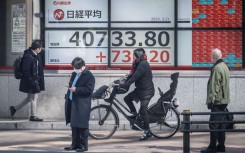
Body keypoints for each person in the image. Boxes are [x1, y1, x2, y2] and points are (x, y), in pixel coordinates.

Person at [120, 48, 155, 140]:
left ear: (138, 55)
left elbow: (135, 77)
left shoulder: (143, 64)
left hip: (147, 91)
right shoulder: (138, 63)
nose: (133, 57)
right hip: (140, 90)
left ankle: (147, 132)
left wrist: (125, 85)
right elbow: (131, 75)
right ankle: (135, 115)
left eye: (134, 56)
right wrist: (123, 81)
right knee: (127, 99)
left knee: (143, 111)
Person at [201, 48, 230, 153]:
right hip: (224, 100)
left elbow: (214, 86)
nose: (210, 58)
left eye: (211, 56)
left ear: (214, 57)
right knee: (221, 124)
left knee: (213, 123)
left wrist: (211, 101)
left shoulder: (217, 68)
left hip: (217, 101)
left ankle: (212, 148)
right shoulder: (225, 66)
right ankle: (221, 147)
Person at [64, 57, 95, 152]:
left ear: (82, 67)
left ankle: (83, 146)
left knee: (82, 125)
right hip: (73, 101)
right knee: (74, 125)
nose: (74, 69)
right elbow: (71, 83)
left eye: (76, 68)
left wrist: (76, 89)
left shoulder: (89, 75)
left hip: (82, 103)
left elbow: (89, 89)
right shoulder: (75, 73)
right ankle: (74, 144)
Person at [9, 40, 45, 121]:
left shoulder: (36, 55)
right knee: (34, 97)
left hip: (35, 80)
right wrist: (32, 81)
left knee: (30, 98)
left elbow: (38, 69)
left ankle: (14, 108)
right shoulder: (28, 56)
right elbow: (25, 70)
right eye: (40, 48)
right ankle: (33, 116)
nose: (41, 49)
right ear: (37, 48)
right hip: (31, 81)